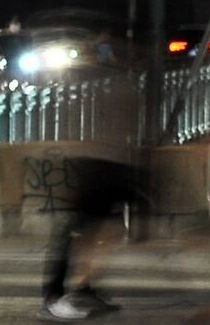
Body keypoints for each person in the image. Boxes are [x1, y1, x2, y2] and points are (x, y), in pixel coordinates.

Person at [39, 65, 142, 321]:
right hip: (96, 164)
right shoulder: (101, 83)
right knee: (77, 231)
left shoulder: (116, 82)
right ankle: (53, 297)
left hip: (112, 163)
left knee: (105, 232)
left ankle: (83, 289)